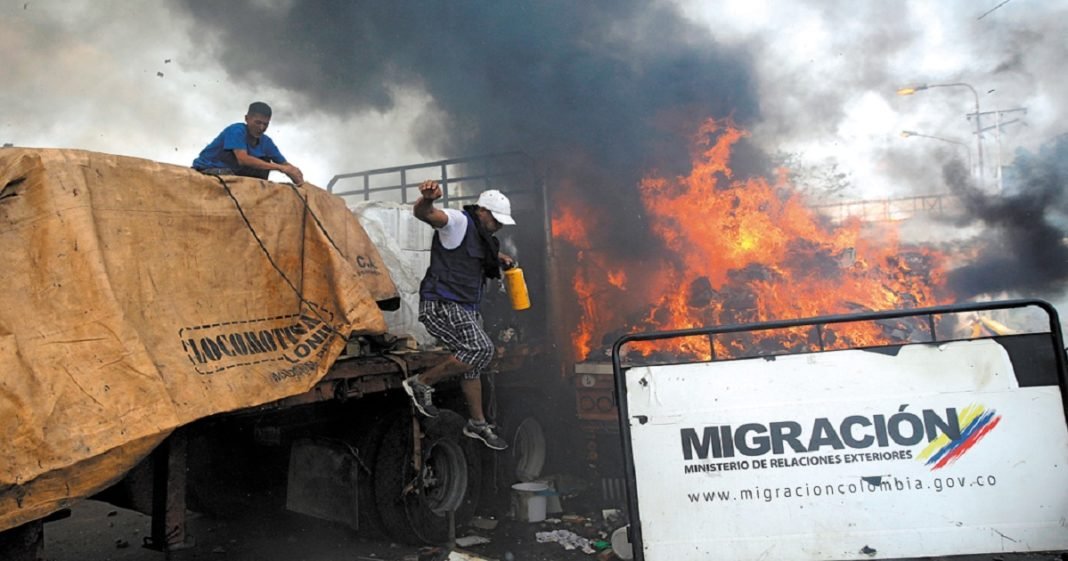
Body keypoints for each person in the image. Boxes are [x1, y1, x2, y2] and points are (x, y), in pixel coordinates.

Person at [402, 180, 517, 450]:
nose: (499, 225)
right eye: (496, 219)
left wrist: (498, 257)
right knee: (480, 349)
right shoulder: (457, 221)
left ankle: (477, 423)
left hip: (465, 307)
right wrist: (427, 200)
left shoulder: (483, 237)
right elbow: (425, 214)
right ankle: (420, 384)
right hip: (442, 304)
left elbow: (476, 252)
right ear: (482, 211)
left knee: (473, 364)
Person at [192, 101, 304, 184]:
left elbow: (285, 164)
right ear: (247, 118)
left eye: (265, 124)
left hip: (235, 173)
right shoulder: (236, 130)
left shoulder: (266, 142)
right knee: (233, 180)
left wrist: (294, 173)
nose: (261, 128)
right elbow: (242, 159)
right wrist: (279, 168)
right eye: (258, 122)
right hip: (209, 168)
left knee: (265, 164)